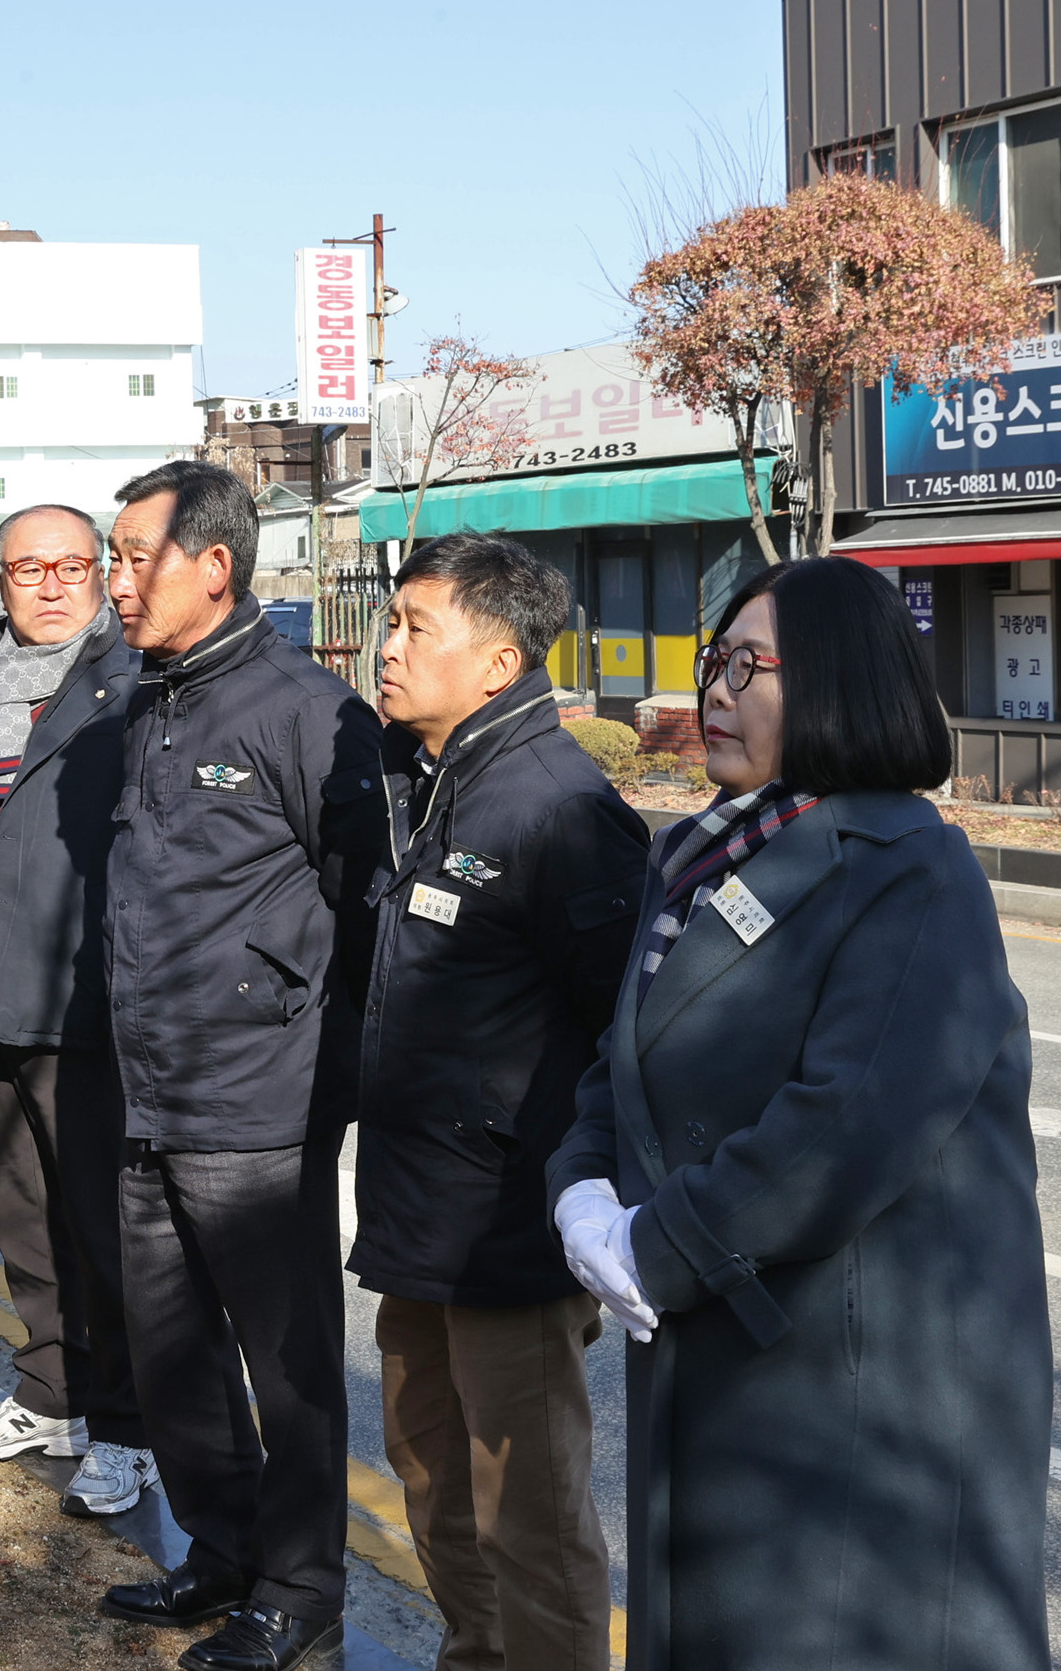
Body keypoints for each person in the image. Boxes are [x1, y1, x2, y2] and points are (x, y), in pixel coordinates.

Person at [546, 554, 1050, 1671]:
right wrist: (581, 1187)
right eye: (709, 661)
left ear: (836, 681)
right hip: (724, 1341)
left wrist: (649, 1244)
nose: (714, 691)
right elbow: (620, 1056)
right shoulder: (698, 848)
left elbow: (849, 1122)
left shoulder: (912, 864)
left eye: (746, 665)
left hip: (858, 1376)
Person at [94, 461, 381, 1671]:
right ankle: (221, 1543)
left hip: (259, 1099)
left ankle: (304, 1582)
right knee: (169, 1347)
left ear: (213, 565)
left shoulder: (306, 709)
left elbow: (364, 901)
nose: (114, 582)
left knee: (287, 1356)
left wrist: (319, 1060)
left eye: (130, 555)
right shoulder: (147, 697)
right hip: (150, 1087)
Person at [348, 533, 647, 1671]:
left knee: (527, 1506)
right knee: (428, 1469)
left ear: (500, 660)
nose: (390, 646)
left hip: (514, 1215)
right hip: (425, 1207)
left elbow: (626, 1024)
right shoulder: (431, 778)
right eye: (394, 620)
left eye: (417, 626)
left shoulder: (559, 805)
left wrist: (584, 1196)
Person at [0, 503, 156, 1516]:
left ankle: (128, 1425)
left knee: (101, 1217)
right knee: (17, 1200)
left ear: (100, 572)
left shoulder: (132, 678)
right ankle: (51, 1393)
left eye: (69, 566)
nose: (49, 585)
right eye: (25, 570)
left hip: (78, 981)